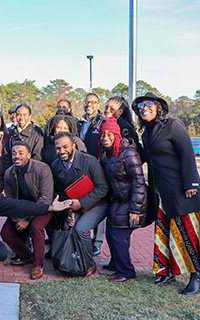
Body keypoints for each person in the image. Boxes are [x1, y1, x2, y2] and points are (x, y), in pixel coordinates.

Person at [132, 92, 200, 295]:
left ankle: (198, 278)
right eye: (141, 106)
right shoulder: (146, 133)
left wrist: (192, 183)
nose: (144, 108)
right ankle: (166, 271)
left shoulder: (173, 125)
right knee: (164, 233)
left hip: (182, 191)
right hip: (161, 193)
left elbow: (187, 154)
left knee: (187, 234)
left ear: (158, 106)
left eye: (148, 104)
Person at [98, 117, 151, 282]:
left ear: (116, 135)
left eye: (109, 135)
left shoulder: (129, 153)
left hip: (134, 201)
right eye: (102, 135)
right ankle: (118, 267)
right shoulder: (105, 155)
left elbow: (139, 182)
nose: (105, 138)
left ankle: (127, 273)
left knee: (118, 235)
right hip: (117, 201)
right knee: (109, 233)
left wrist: (135, 210)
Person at [51, 131, 108, 277]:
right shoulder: (55, 165)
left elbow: (103, 188)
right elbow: (61, 193)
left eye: (65, 147)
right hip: (74, 206)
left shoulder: (89, 161)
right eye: (58, 148)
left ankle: (89, 263)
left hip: (97, 204)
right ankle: (71, 259)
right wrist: (69, 211)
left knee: (81, 229)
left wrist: (81, 203)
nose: (61, 151)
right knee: (67, 226)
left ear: (74, 146)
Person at [1, 142, 54, 279]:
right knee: (6, 233)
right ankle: (27, 255)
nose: (16, 156)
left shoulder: (42, 169)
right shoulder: (9, 173)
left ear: (29, 155)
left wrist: (27, 219)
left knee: (36, 227)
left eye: (20, 153)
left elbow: (46, 199)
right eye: (14, 153)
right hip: (22, 208)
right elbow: (10, 200)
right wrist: (16, 217)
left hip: (44, 207)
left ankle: (38, 264)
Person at [78, 93, 106, 255]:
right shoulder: (78, 122)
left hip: (97, 169)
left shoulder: (101, 122)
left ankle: (97, 241)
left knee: (98, 202)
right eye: (87, 102)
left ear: (98, 105)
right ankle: (83, 237)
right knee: (83, 202)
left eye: (94, 102)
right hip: (81, 170)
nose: (90, 104)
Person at [3, 104, 45, 170]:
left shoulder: (36, 132)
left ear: (29, 116)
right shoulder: (11, 132)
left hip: (30, 171)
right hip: (13, 171)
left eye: (24, 115)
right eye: (19, 115)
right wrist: (10, 170)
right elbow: (6, 154)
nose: (21, 118)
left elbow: (38, 156)